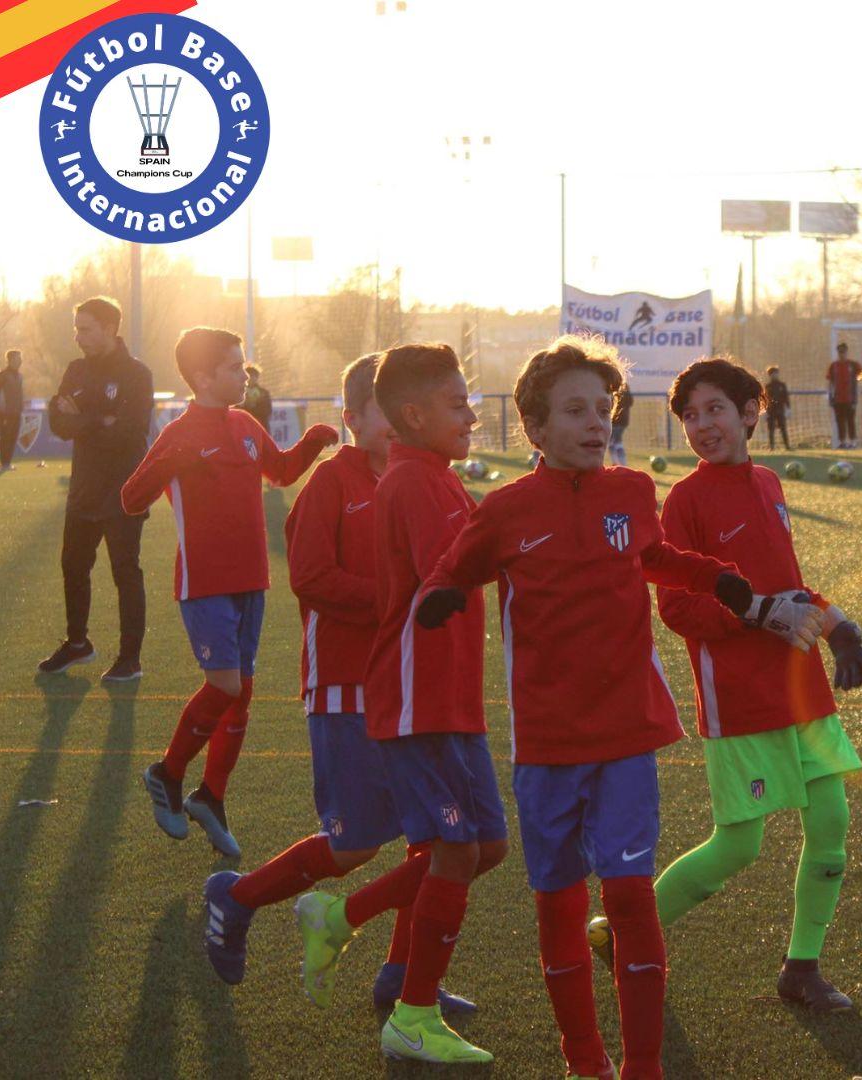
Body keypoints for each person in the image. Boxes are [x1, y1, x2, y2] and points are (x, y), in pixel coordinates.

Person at [413, 338, 757, 1080]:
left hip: (627, 734)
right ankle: (584, 1059)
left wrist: (715, 576)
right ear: (535, 428)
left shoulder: (631, 492)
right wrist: (443, 594)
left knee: (631, 898)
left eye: (604, 410)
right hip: (546, 747)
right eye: (575, 411)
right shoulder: (504, 510)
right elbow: (457, 567)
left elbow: (655, 556)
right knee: (559, 907)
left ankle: (642, 1066)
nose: (596, 423)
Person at [194, 353, 473, 1016]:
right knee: (354, 843)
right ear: (351, 418)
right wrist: (396, 599)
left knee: (436, 841)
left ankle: (404, 981)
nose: (400, 422)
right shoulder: (331, 483)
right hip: (346, 689)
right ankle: (237, 897)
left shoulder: (425, 480)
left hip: (412, 691)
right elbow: (311, 577)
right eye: (383, 411)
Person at [650, 356, 862, 1014]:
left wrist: (837, 628)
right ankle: (625, 934)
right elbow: (676, 607)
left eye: (715, 409)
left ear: (751, 412)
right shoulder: (685, 501)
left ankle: (801, 968)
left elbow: (791, 583)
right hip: (740, 701)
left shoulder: (771, 482)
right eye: (690, 416)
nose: (701, 425)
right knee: (739, 846)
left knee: (832, 823)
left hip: (802, 690)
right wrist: (757, 615)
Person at [122, 327, 339, 860]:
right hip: (205, 584)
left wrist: (311, 442)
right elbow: (131, 498)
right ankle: (167, 772)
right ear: (202, 377)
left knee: (241, 693)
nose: (244, 375)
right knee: (222, 686)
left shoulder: (244, 423)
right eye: (234, 368)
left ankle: (211, 796)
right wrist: (173, 463)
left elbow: (281, 471)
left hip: (252, 581)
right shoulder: (179, 432)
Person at [363, 342, 509, 1065]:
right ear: (414, 415)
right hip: (417, 699)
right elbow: (452, 569)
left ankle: (352, 919)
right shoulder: (416, 483)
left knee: (486, 847)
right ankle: (414, 1010)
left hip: (451, 701)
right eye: (458, 403)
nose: (473, 414)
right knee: (456, 846)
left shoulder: (437, 477)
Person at [38, 297, 154, 682]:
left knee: (125, 571)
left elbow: (128, 432)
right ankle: (77, 644)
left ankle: (130, 660)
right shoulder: (75, 370)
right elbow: (57, 421)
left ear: (110, 328)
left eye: (85, 328)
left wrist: (83, 419)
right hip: (84, 490)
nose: (78, 336)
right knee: (73, 566)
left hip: (124, 490)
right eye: (76, 328)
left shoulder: (137, 374)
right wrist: (98, 420)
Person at [826, 342, 862, 448]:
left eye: (844, 352)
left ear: (847, 352)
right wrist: (829, 396)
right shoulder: (834, 366)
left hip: (850, 398)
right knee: (840, 421)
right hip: (837, 398)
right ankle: (842, 442)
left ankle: (853, 441)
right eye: (840, 352)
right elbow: (829, 382)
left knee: (850, 420)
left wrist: (858, 391)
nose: (842, 354)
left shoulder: (853, 365)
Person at [0, 349, 26, 468]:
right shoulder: (3, 375)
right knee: (5, 436)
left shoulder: (20, 376)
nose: (21, 361)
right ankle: (4, 462)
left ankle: (8, 461)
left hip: (17, 411)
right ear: (10, 360)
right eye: (18, 358)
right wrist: (0, 409)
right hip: (5, 412)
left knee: (13, 436)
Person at [763, 364, 792, 450]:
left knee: (783, 428)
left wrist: (788, 408)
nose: (775, 375)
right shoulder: (767, 386)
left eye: (776, 373)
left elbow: (786, 397)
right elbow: (765, 399)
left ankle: (787, 446)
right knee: (771, 429)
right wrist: (765, 411)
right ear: (770, 375)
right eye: (772, 373)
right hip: (771, 410)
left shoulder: (782, 385)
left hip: (780, 410)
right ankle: (772, 447)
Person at [239, 363, 273, 428]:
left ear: (257, 377)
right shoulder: (238, 392)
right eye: (249, 375)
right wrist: (245, 406)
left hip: (260, 426)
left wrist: (253, 406)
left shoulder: (263, 393)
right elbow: (235, 409)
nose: (251, 378)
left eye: (254, 376)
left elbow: (267, 411)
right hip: (243, 426)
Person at [609, 382, 632, 467]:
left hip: (616, 421)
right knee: (616, 441)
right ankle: (620, 463)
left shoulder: (616, 393)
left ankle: (619, 463)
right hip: (623, 421)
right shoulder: (627, 393)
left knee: (613, 442)